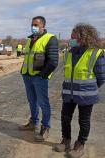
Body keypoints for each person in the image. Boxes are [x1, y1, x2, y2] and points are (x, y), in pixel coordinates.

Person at [54, 23, 105, 158]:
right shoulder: (71, 52)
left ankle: (80, 144)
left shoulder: (95, 53)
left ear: (84, 37)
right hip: (69, 93)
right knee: (65, 117)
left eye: (73, 37)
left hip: (86, 95)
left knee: (83, 120)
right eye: (71, 37)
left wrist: (90, 88)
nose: (71, 39)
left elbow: (101, 77)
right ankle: (66, 140)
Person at [19, 16, 59, 142]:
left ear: (43, 26)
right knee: (32, 101)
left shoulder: (50, 39)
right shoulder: (30, 39)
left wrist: (42, 75)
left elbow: (53, 61)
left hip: (39, 77)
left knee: (43, 103)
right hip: (27, 75)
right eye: (32, 24)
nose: (33, 27)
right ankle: (33, 123)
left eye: (36, 25)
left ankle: (45, 127)